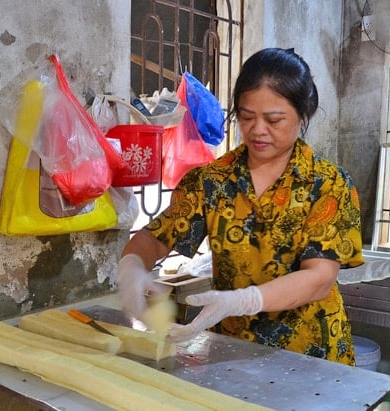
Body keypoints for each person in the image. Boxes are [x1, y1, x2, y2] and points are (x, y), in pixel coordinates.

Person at [117, 47, 364, 365]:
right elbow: (154, 237)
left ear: (303, 116)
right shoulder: (213, 181)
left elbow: (319, 278)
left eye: (274, 120)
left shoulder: (327, 183)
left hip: (310, 352)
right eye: (247, 117)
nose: (258, 130)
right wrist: (132, 267)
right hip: (233, 350)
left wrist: (244, 300)